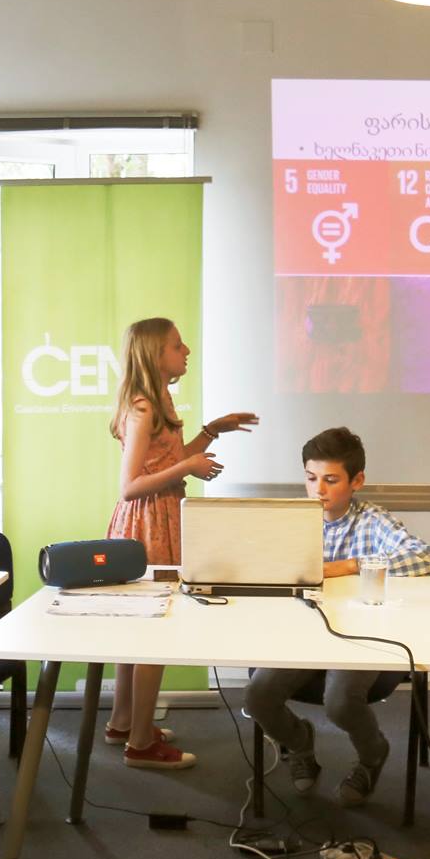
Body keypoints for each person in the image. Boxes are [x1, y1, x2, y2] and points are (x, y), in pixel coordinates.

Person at [245, 427, 430, 807]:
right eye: (311, 478)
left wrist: (349, 566)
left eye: (331, 480)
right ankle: (300, 743)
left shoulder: (372, 521)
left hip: (360, 634)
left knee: (339, 702)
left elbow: (426, 558)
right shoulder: (291, 519)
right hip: (301, 633)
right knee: (257, 695)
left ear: (356, 481)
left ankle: (372, 754)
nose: (318, 490)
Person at [104, 318, 257, 770]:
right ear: (156, 355)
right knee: (152, 629)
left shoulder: (158, 401)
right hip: (148, 523)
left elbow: (168, 460)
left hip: (160, 518)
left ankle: (124, 722)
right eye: (176, 345)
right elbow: (130, 486)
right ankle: (141, 745)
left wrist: (211, 431)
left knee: (141, 628)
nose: (186, 350)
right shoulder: (142, 408)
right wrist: (189, 466)